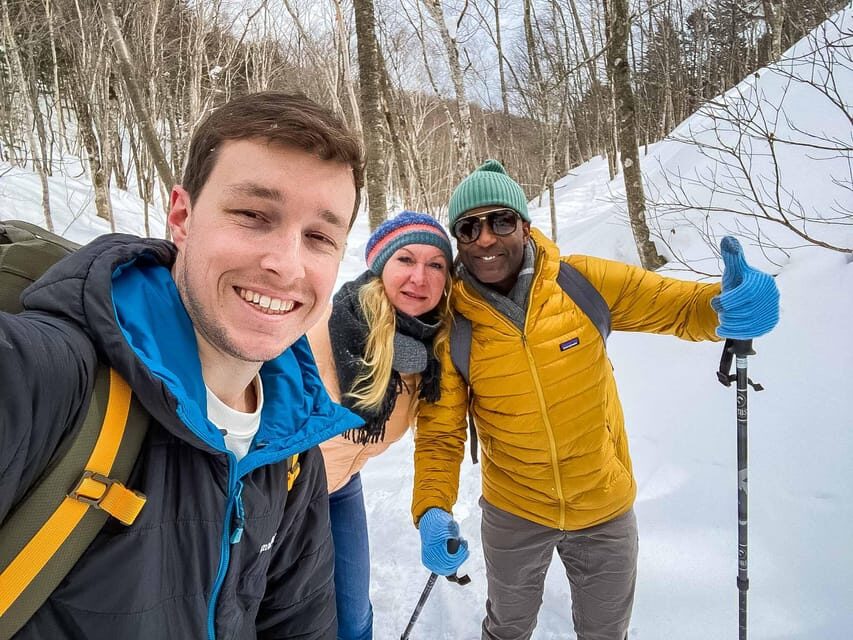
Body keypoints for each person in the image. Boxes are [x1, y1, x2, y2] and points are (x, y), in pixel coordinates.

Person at [0, 92, 366, 639]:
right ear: (182, 216)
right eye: (252, 215)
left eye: (319, 237)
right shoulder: (52, 381)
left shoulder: (290, 455)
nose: (286, 265)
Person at [410, 160, 780, 640]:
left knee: (606, 633)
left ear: (525, 225)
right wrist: (432, 509)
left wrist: (732, 306)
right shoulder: (454, 325)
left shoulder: (580, 283)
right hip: (514, 512)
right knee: (507, 629)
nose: (484, 238)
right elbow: (440, 434)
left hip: (603, 504)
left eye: (501, 220)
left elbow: (681, 307)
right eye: (468, 227)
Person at [307, 210, 454, 640]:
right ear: (380, 266)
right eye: (405, 260)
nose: (419, 278)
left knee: (353, 621)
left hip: (340, 487)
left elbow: (438, 437)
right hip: (278, 491)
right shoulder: (326, 326)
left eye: (436, 265)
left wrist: (434, 511)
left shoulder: (433, 353)